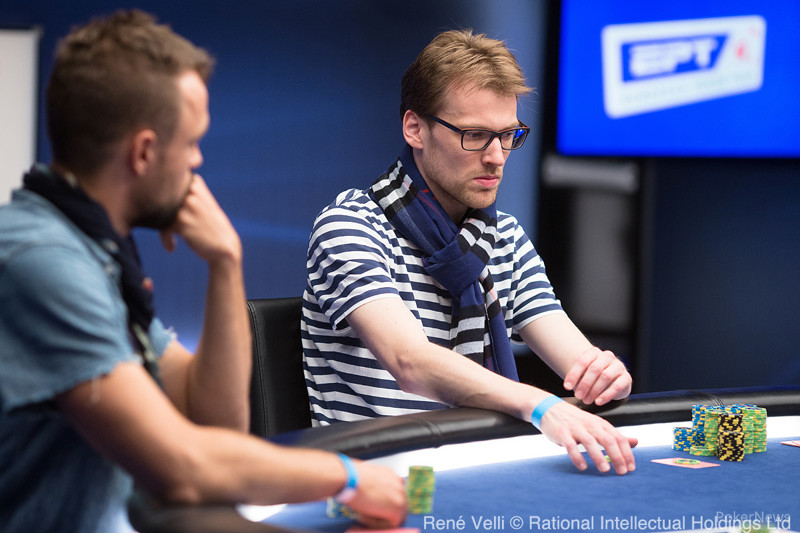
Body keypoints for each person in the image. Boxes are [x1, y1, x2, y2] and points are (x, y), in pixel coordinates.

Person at [0, 10, 405, 533]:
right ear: (144, 152)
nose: (196, 163)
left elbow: (215, 422)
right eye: (192, 143)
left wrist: (225, 261)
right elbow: (184, 467)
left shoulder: (87, 251)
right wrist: (347, 477)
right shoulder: (41, 261)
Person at [302, 29, 638, 476]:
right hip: (374, 485)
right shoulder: (350, 224)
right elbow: (410, 362)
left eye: (508, 135)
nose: (497, 157)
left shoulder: (505, 236)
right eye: (475, 135)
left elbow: (578, 361)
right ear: (415, 128)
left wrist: (606, 376)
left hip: (480, 472)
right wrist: (540, 405)